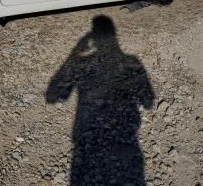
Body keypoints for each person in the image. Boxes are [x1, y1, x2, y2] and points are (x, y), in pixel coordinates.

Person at [46, 15, 154, 186]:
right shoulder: (132, 62)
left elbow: (53, 96)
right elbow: (148, 102)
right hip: (128, 142)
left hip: (86, 142)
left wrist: (75, 52)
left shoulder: (83, 63)